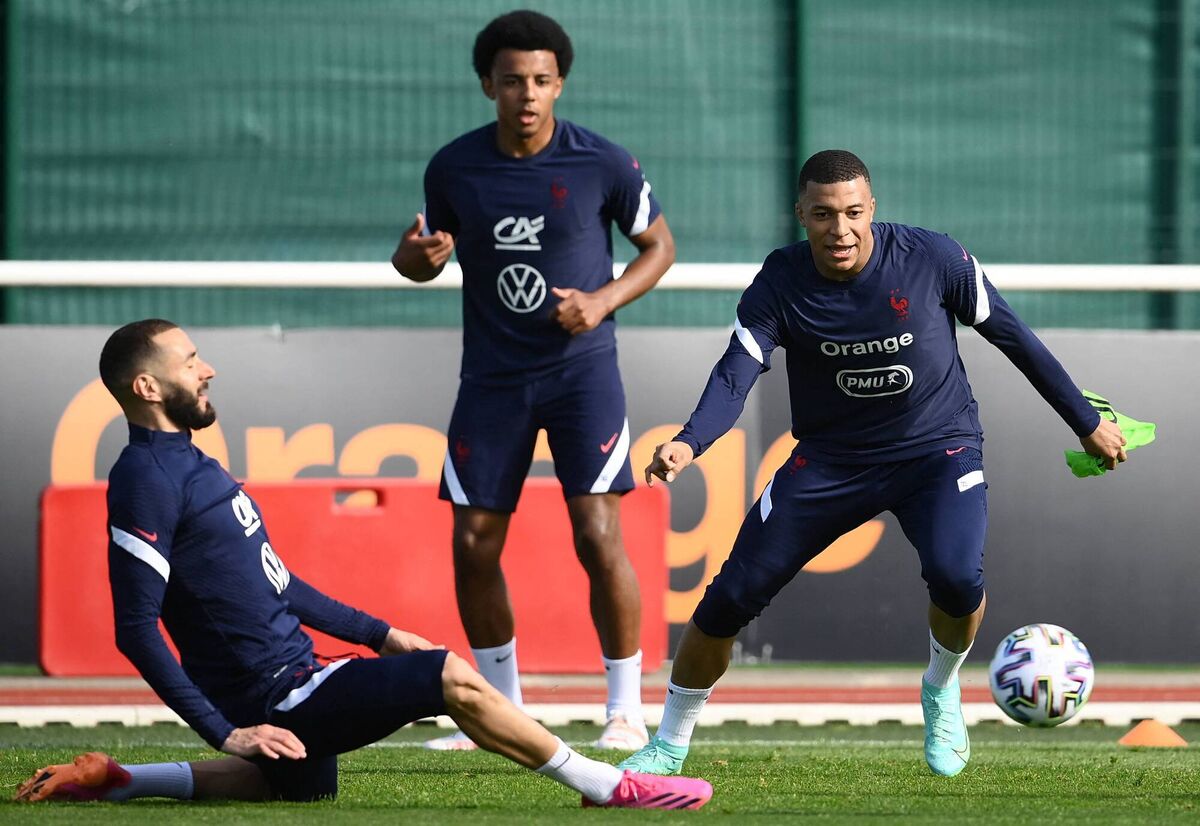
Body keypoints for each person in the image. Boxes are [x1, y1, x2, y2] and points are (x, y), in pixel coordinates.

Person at [13, 319, 711, 810]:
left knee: (302, 785)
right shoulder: (145, 478)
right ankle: (607, 787)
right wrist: (227, 732)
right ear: (145, 386)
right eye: (189, 358)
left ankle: (118, 779)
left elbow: (279, 584)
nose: (207, 367)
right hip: (278, 697)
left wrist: (379, 634)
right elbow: (134, 627)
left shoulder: (189, 464)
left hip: (300, 680)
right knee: (450, 676)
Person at [618, 150, 1128, 779]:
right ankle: (668, 746)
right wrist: (690, 442)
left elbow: (1014, 337)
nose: (842, 229)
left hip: (937, 452)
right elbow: (736, 371)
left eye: (854, 213)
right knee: (729, 598)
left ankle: (940, 691)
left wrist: (1086, 421)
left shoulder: (934, 259)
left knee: (956, 577)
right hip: (832, 462)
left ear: (873, 210)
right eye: (825, 215)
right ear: (801, 214)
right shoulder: (780, 279)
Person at [391, 10, 675, 752]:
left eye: (542, 81)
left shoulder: (604, 163)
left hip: (582, 377)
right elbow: (421, 257)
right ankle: (500, 712)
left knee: (596, 531)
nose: (528, 94)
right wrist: (414, 260)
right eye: (513, 80)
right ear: (487, 84)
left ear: (560, 84)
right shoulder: (453, 168)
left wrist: (603, 299)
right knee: (474, 542)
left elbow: (659, 245)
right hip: (491, 379)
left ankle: (623, 709)